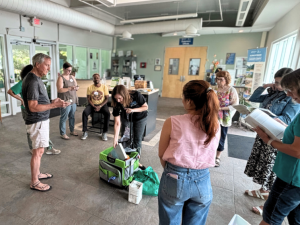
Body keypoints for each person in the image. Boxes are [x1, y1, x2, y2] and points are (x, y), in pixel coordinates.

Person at [158, 80, 220, 225]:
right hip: (203, 181)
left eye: (183, 97)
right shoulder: (216, 125)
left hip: (174, 177)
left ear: (190, 101)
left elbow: (162, 155)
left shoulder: (172, 122)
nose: (182, 100)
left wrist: (172, 173)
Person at [244, 67, 300, 215]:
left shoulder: (292, 100)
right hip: (266, 133)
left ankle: (266, 195)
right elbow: (253, 98)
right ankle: (264, 190)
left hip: (275, 136)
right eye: (275, 82)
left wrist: (267, 120)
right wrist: (266, 86)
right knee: (262, 165)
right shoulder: (273, 93)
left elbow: (288, 120)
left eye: (281, 84)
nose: (278, 86)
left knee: (270, 169)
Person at [22, 53, 69, 191]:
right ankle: (34, 182)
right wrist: (55, 106)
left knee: (40, 150)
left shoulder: (36, 78)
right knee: (38, 152)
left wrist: (51, 101)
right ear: (37, 64)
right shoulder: (32, 81)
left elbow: (39, 101)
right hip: (37, 121)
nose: (48, 69)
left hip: (40, 120)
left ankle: (37, 174)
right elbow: (33, 106)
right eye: (47, 65)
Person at [7, 65, 61, 155]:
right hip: (28, 110)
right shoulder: (23, 82)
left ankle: (49, 147)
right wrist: (21, 99)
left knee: (42, 129)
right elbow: (10, 91)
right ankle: (33, 148)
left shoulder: (36, 80)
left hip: (39, 108)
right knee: (31, 131)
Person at [111, 85, 148, 169]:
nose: (118, 101)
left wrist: (133, 110)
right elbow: (117, 123)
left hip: (140, 118)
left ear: (125, 95)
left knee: (137, 140)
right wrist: (115, 139)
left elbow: (145, 107)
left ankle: (136, 162)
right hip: (127, 118)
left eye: (120, 98)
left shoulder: (136, 95)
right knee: (125, 138)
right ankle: (126, 160)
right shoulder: (116, 103)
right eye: (116, 98)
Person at [215, 71, 239, 167]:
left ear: (226, 80)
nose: (218, 81)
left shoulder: (231, 90)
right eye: (217, 79)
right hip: (213, 115)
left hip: (224, 117)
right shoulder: (215, 89)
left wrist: (221, 108)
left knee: (222, 136)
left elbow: (235, 105)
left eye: (221, 79)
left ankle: (217, 157)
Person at [81, 73, 110, 141]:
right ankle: (85, 132)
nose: (96, 79)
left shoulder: (104, 87)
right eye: (95, 78)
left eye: (97, 77)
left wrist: (100, 106)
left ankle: (104, 133)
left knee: (107, 113)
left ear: (99, 79)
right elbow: (88, 99)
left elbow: (106, 99)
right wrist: (93, 106)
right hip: (92, 105)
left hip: (102, 104)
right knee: (85, 112)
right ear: (93, 79)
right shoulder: (90, 87)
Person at [57, 62, 79, 140]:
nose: (69, 72)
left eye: (70, 70)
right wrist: (69, 88)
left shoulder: (72, 77)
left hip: (73, 99)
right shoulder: (61, 78)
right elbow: (59, 90)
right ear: (64, 69)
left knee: (72, 116)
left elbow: (76, 85)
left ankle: (72, 130)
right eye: (68, 70)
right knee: (64, 117)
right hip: (65, 100)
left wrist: (76, 88)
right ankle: (63, 133)